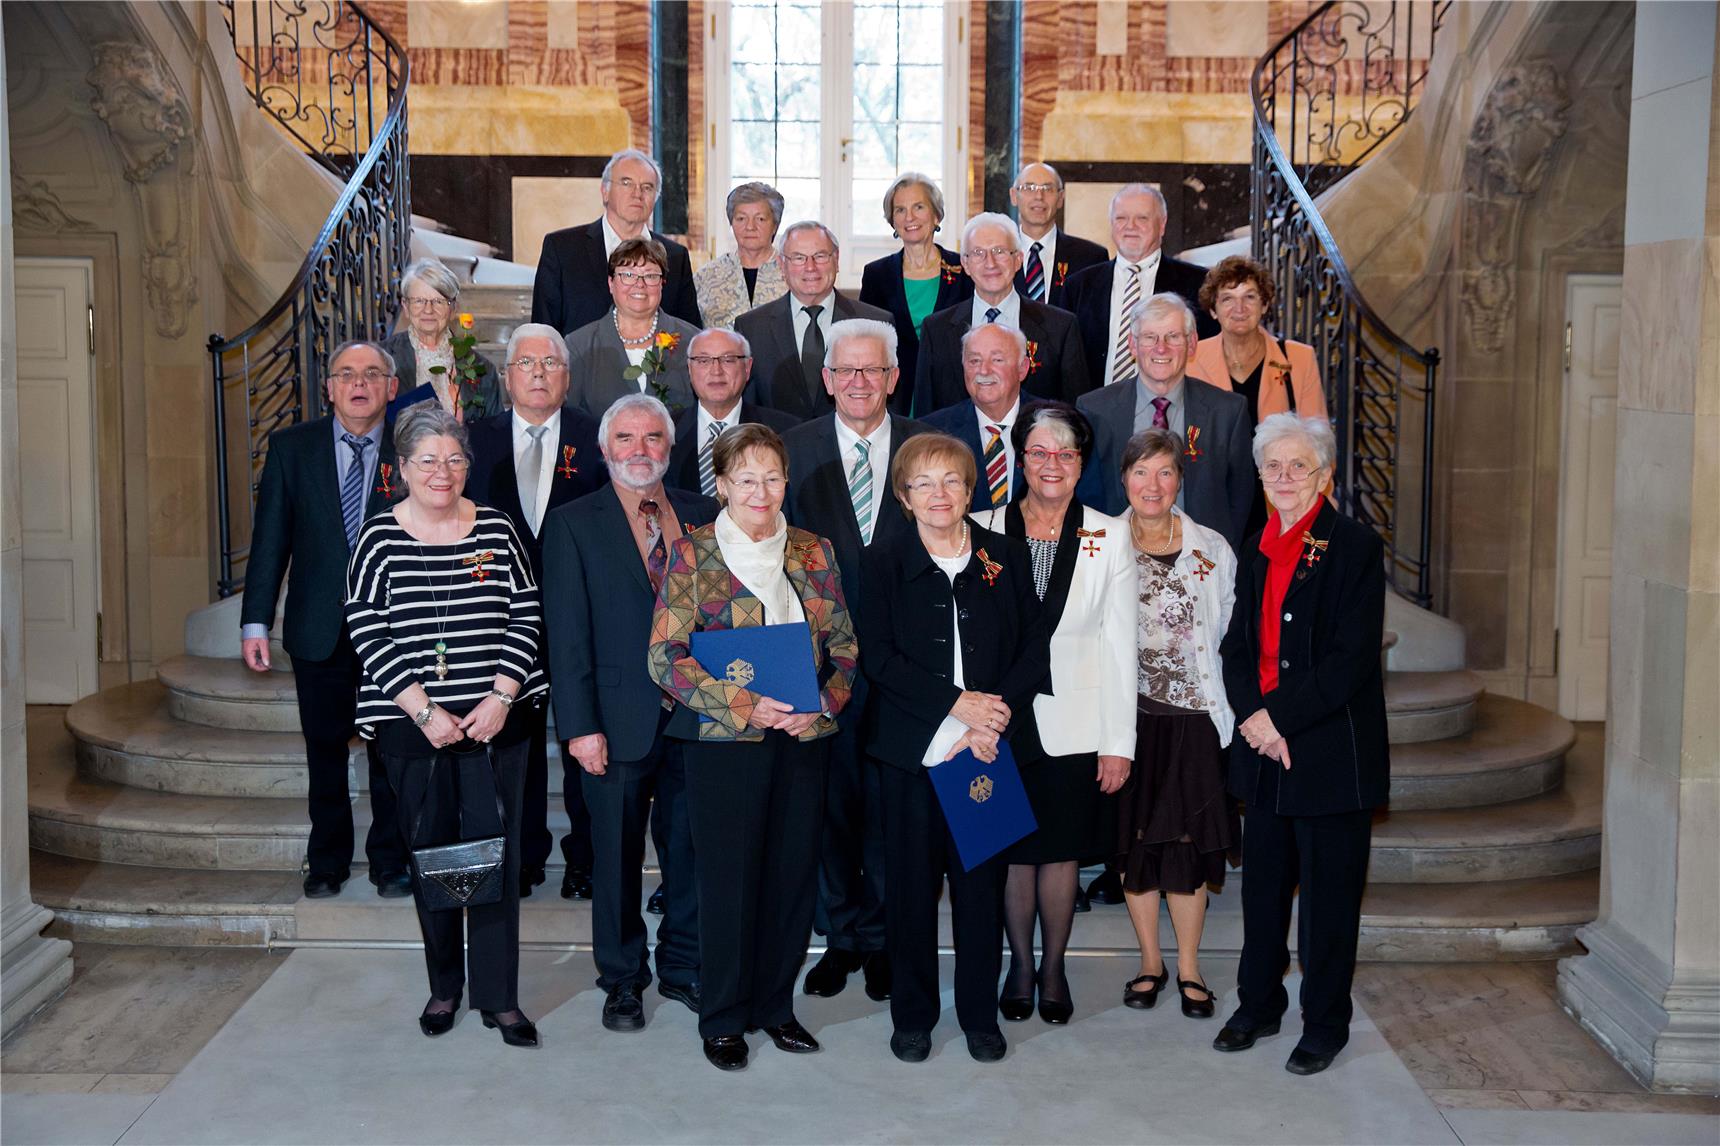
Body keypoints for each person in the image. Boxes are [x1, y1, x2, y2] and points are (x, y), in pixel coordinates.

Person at [648, 423, 860, 1072]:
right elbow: (665, 657)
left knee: (792, 878)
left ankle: (775, 1006)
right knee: (730, 882)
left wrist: (822, 704)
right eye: (746, 478)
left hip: (802, 740)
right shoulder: (693, 554)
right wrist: (743, 705)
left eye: (771, 476)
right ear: (722, 485)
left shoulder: (814, 551)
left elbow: (846, 647)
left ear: (785, 481)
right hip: (723, 745)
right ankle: (723, 1018)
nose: (760, 490)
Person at [345, 401, 546, 1048]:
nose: (443, 471)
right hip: (414, 730)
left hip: (496, 725)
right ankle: (444, 987)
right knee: (432, 856)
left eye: (455, 458)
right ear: (402, 468)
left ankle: (500, 997)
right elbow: (366, 626)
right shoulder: (378, 537)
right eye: (428, 460)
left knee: (497, 859)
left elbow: (526, 611)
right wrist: (424, 710)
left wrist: (499, 697)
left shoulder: (495, 527)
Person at [858, 432, 1050, 1065]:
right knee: (911, 894)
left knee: (980, 892)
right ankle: (912, 1018)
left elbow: (1032, 648)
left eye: (952, 482)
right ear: (904, 495)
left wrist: (989, 722)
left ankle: (978, 1017)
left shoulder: (1003, 554)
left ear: (971, 490)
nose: (939, 494)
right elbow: (879, 659)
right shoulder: (882, 560)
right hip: (913, 754)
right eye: (924, 483)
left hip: (988, 750)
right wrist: (954, 708)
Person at [1213, 413, 1389, 1078]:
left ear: (1324, 475)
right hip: (1264, 755)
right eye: (1272, 468)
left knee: (1327, 902)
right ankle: (1258, 1005)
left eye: (1298, 467)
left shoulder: (1352, 548)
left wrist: (1275, 718)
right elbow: (1236, 647)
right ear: (1260, 478)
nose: (1284, 478)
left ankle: (1325, 1024)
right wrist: (1253, 718)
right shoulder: (1258, 541)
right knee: (1260, 891)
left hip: (1327, 755)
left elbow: (1349, 662)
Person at [542, 394, 715, 1033]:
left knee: (690, 853)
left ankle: (682, 964)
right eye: (626, 439)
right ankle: (621, 978)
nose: (640, 451)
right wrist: (579, 727)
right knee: (613, 859)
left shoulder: (702, 515)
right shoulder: (572, 523)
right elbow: (566, 636)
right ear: (605, 448)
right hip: (614, 724)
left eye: (652, 439)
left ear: (669, 449)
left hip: (696, 718)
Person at [972, 403, 1134, 1026]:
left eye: (1065, 454)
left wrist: (1119, 741)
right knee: (1013, 849)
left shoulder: (1107, 532)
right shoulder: (983, 524)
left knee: (1061, 850)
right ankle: (1018, 964)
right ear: (1018, 457)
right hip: (1001, 721)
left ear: (1080, 463)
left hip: (1076, 719)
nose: (1051, 465)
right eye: (1039, 452)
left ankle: (1056, 966)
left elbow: (1122, 644)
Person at [781, 318, 928, 1001]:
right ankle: (842, 937)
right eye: (847, 372)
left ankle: (888, 942)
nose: (860, 383)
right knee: (832, 811)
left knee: (895, 814)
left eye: (873, 371)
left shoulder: (929, 450)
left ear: (894, 378)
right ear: (828, 379)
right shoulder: (793, 452)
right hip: (820, 669)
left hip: (907, 671)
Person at [240, 340, 410, 899]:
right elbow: (271, 541)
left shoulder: (412, 447)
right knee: (325, 751)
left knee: (392, 750)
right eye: (346, 374)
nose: (359, 383)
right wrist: (255, 621)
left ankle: (390, 861)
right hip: (320, 627)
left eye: (371, 374)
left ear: (390, 385)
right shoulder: (292, 448)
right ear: (330, 387)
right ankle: (327, 861)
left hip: (394, 627)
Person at [463, 324, 606, 898]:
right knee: (513, 746)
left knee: (582, 744)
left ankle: (585, 859)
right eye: (526, 364)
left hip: (580, 619)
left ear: (567, 377)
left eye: (550, 363)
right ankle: (521, 855)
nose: (539, 373)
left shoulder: (596, 437)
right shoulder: (474, 440)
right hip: (500, 622)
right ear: (507, 378)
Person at [1111, 428, 1239, 1024]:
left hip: (1192, 719)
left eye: (1164, 472)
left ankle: (1189, 966)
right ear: (1124, 480)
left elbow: (1228, 634)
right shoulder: (1099, 544)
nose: (1152, 485)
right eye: (1141, 473)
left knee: (1185, 847)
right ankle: (1149, 961)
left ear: (1179, 480)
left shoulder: (1211, 547)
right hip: (1126, 721)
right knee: (1134, 845)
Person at [1076, 293, 1254, 553]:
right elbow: (1085, 498)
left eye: (1173, 336)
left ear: (1192, 344)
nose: (1161, 348)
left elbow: (1241, 499)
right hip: (1118, 560)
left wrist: (1216, 557)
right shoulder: (1093, 410)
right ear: (1132, 345)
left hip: (1202, 563)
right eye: (1150, 337)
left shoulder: (1228, 411)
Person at [1186, 256, 1328, 540]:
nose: (1239, 308)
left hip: (1282, 499)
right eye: (1227, 299)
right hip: (1213, 502)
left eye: (1249, 297)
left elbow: (1320, 442)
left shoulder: (1298, 358)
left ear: (1264, 305)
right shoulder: (1190, 360)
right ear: (1213, 310)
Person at [911, 212, 1089, 414]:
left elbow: (1074, 414)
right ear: (965, 264)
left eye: (999, 251)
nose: (990, 263)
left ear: (1018, 260)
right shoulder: (936, 330)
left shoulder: (1061, 327)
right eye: (978, 253)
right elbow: (925, 417)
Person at [1063, 184, 1219, 394]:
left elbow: (1210, 358)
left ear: (1162, 225)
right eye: (1121, 218)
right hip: (1094, 416)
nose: (1130, 226)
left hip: (1171, 413)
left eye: (1142, 218)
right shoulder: (1078, 286)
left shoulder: (1199, 284)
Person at [531, 148, 702, 333]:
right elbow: (543, 332)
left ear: (656, 198)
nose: (637, 194)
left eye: (647, 187)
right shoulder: (562, 249)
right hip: (580, 360)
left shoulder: (675, 256)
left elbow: (690, 334)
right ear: (605, 191)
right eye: (626, 183)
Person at [736, 221, 891, 419]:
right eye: (799, 258)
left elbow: (890, 408)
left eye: (820, 256)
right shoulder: (751, 328)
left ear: (836, 260)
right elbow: (748, 412)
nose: (811, 267)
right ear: (782, 265)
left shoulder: (875, 323)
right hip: (777, 446)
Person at [858, 172, 973, 414]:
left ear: (936, 214)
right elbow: (867, 341)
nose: (909, 217)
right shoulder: (876, 274)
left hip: (951, 393)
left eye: (918, 207)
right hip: (896, 395)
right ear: (893, 221)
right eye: (900, 210)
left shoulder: (964, 269)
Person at [563, 239, 701, 417]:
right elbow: (569, 421)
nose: (639, 284)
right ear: (611, 283)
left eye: (650, 276)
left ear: (662, 284)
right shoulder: (578, 345)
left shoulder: (693, 341)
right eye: (628, 275)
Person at [667, 328, 801, 496]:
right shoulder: (666, 432)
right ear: (689, 369)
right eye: (703, 360)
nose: (716, 371)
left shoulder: (786, 431)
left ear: (747, 367)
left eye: (728, 360)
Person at [922, 323, 1030, 512]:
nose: (984, 370)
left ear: (1022, 368)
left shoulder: (1055, 426)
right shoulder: (931, 433)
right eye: (974, 361)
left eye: (997, 360)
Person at [385, 258, 504, 422]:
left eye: (438, 302)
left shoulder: (482, 370)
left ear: (453, 308)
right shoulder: (382, 359)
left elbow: (492, 432)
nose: (428, 310)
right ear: (405, 306)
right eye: (419, 301)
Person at [1009, 162, 1108, 309]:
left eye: (1048, 189)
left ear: (1060, 198)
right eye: (1029, 188)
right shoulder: (996, 255)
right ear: (1014, 196)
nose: (1039, 196)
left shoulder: (1091, 257)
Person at [693, 182, 790, 330]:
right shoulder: (706, 276)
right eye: (741, 219)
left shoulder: (793, 273)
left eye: (760, 219)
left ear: (775, 225)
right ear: (731, 223)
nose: (750, 227)